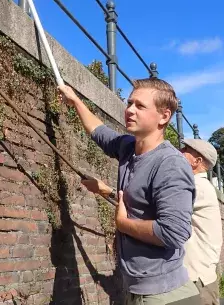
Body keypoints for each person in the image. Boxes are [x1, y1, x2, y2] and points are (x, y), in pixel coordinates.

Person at [58, 79, 200, 305]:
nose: (130, 110)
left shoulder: (170, 164)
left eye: (140, 106)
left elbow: (174, 233)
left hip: (164, 296)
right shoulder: (128, 148)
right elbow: (99, 132)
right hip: (138, 290)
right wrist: (75, 101)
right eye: (129, 103)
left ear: (164, 116)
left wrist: (123, 223)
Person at [180, 139, 223, 305]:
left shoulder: (196, 187)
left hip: (197, 282)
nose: (180, 150)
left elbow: (155, 211)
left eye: (185, 149)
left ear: (197, 161)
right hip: (199, 280)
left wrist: (109, 192)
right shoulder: (200, 186)